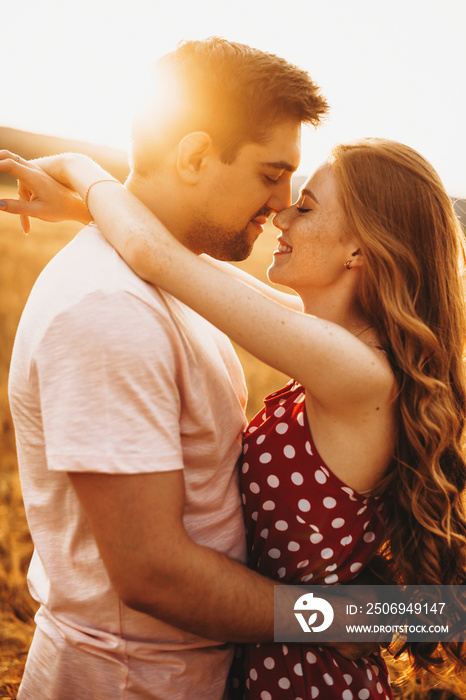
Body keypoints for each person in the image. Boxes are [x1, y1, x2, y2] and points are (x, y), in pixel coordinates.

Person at [3, 136, 466, 699]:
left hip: (307, 682)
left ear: (360, 251)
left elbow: (162, 260)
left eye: (307, 206)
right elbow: (187, 268)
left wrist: (80, 167)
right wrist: (84, 206)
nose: (280, 214)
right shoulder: (339, 346)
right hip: (272, 662)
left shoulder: (357, 373)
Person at [0, 38, 333, 700]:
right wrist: (337, 618)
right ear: (194, 156)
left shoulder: (179, 280)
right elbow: (153, 573)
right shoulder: (108, 312)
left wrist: (85, 190)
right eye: (272, 174)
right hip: (126, 681)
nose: (283, 205)